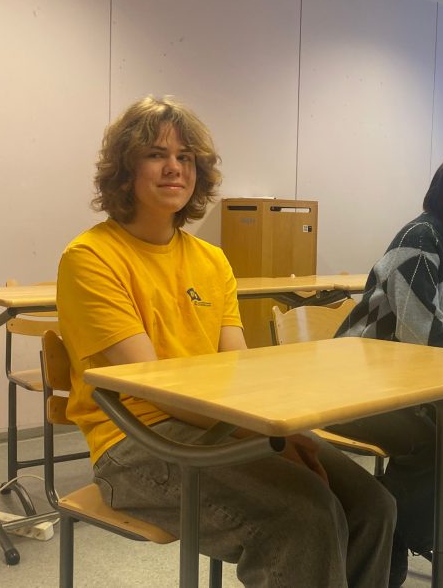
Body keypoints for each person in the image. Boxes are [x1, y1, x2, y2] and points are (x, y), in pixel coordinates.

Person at [56, 95, 395, 588]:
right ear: (125, 170)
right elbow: (155, 386)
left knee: (373, 504)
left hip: (216, 425)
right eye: (156, 154)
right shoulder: (91, 257)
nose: (174, 168)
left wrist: (276, 432)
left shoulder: (212, 260)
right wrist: (267, 436)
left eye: (186, 157)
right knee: (302, 517)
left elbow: (237, 369)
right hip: (133, 444)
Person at [328, 145, 443, 587]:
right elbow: (426, 340)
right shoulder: (420, 239)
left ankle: (394, 533)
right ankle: (382, 539)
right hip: (359, 380)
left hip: (426, 382)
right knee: (433, 451)